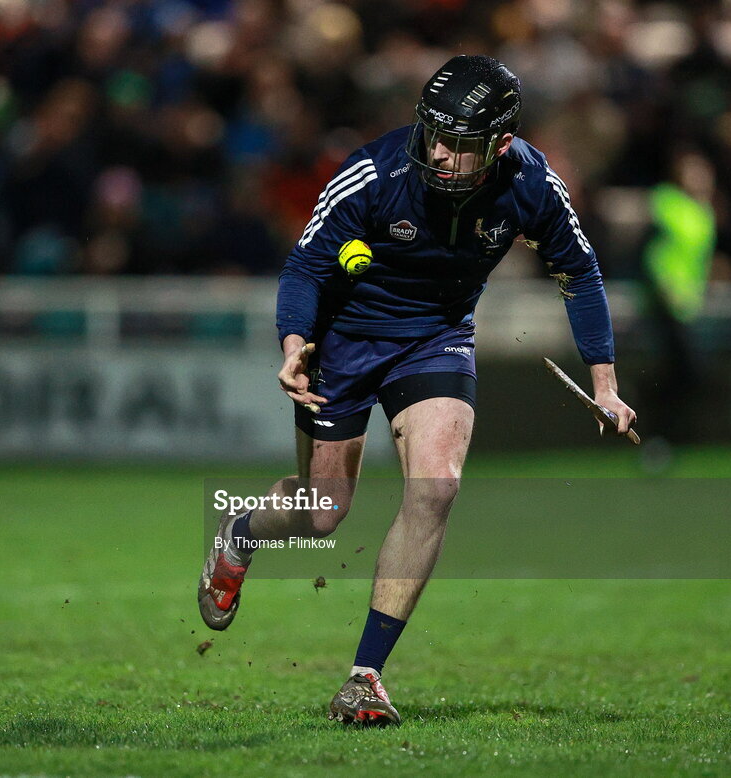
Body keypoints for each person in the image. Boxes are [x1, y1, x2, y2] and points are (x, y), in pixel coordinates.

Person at [197, 55, 637, 726]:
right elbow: (306, 266)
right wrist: (293, 346)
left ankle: (364, 677)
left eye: (459, 143)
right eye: (433, 134)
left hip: (436, 338)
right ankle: (242, 535)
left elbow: (580, 273)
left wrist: (605, 382)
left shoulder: (533, 184)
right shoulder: (374, 174)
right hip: (340, 343)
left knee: (437, 485)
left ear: (500, 144)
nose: (440, 153)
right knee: (323, 513)